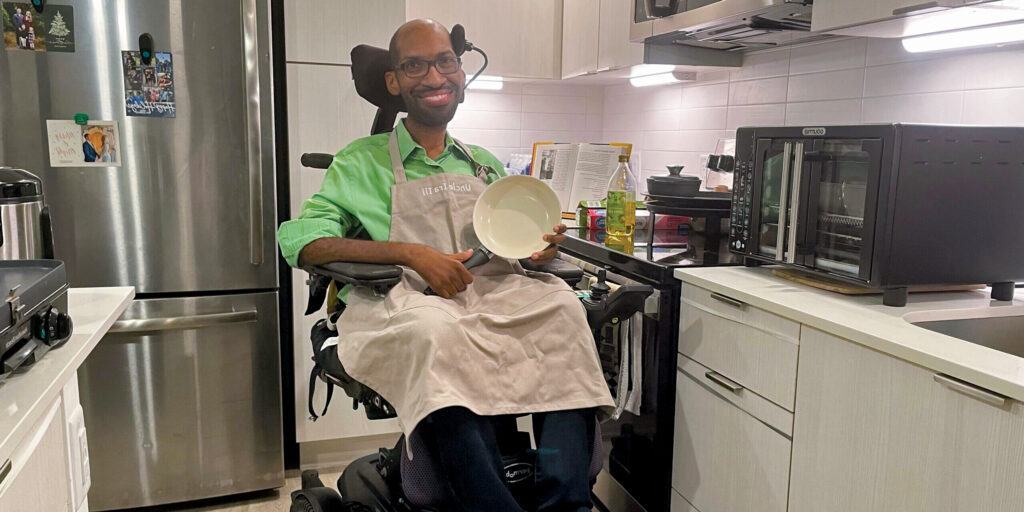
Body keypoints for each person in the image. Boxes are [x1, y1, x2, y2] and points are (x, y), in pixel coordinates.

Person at [278, 19, 614, 512]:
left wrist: (537, 249)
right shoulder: (359, 162)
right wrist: (410, 253)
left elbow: (512, 247)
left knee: (564, 308)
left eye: (446, 62)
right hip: (405, 302)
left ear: (460, 72)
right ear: (393, 82)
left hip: (490, 298)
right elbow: (300, 242)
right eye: (414, 65)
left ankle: (567, 503)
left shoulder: (482, 164)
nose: (434, 77)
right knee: (438, 331)